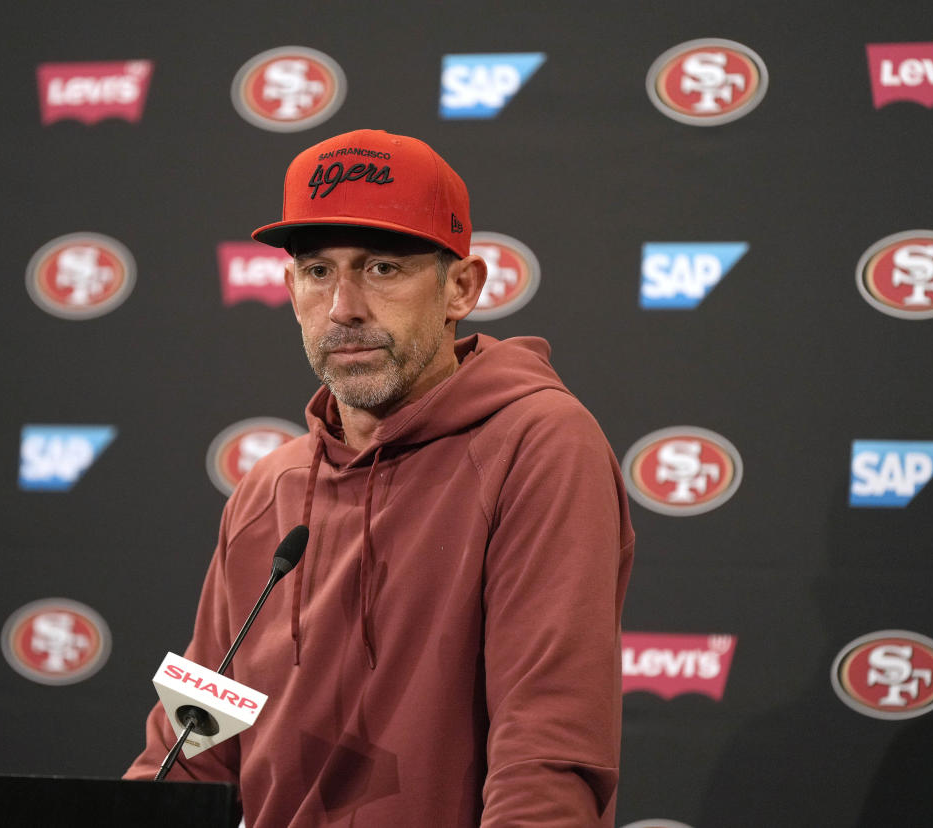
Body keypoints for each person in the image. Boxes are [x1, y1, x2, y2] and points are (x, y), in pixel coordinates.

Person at [125, 128, 635, 827]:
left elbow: (547, 749)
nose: (345, 308)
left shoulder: (538, 444)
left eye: (382, 269)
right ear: (290, 287)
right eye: (318, 271)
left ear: (460, 287)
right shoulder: (269, 489)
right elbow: (190, 747)